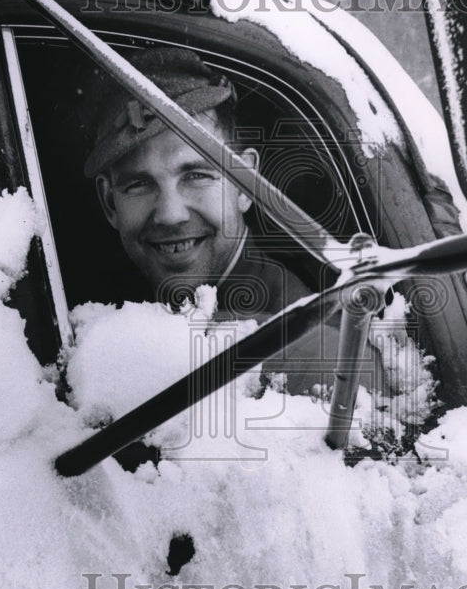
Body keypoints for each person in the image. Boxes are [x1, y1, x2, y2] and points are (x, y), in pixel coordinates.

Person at [83, 46, 372, 396]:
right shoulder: (113, 305)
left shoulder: (305, 348)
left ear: (245, 182)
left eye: (196, 175)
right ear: (108, 203)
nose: (170, 214)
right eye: (139, 184)